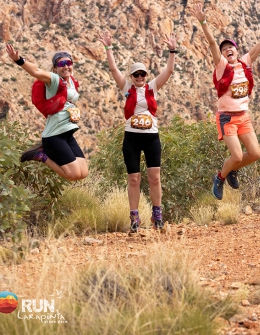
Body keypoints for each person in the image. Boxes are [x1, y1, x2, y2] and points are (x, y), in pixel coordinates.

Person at [192, 2, 260, 200]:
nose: (227, 50)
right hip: (227, 118)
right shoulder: (221, 67)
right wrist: (203, 23)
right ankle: (219, 177)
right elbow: (211, 44)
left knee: (254, 154)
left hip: (244, 117)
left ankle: (233, 170)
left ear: (236, 50)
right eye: (224, 49)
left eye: (230, 47)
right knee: (236, 156)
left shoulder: (245, 63)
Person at [97, 31, 177, 232]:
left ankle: (157, 215)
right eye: (136, 74)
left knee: (154, 177)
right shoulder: (126, 88)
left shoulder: (152, 88)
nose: (140, 77)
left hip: (151, 137)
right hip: (131, 137)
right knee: (134, 178)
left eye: (142, 74)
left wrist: (172, 50)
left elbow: (168, 71)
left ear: (146, 76)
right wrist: (108, 47)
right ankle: (134, 218)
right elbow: (113, 68)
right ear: (131, 77)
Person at [6, 45, 88, 181]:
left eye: (69, 63)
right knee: (72, 175)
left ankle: (44, 152)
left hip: (67, 134)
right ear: (55, 67)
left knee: (83, 173)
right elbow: (36, 71)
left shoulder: (71, 81)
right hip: (54, 135)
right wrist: (18, 60)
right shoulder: (54, 80)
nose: (66, 66)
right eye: (62, 63)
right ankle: (41, 155)